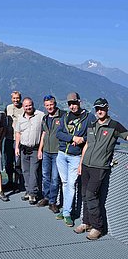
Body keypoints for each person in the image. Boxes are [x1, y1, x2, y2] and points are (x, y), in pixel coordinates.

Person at [74, 98, 128, 240]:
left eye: (102, 108)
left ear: (107, 108)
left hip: (99, 167)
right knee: (85, 195)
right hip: (86, 165)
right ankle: (87, 223)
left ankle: (98, 227)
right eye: (97, 108)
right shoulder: (92, 125)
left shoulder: (115, 126)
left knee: (91, 195)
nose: (99, 111)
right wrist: (80, 163)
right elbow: (86, 145)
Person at [56, 92, 95, 227]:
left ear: (80, 102)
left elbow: (93, 135)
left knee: (71, 185)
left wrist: (82, 140)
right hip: (62, 154)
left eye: (74, 103)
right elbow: (58, 133)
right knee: (65, 183)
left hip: (75, 156)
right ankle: (66, 210)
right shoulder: (65, 117)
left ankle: (67, 213)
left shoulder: (89, 117)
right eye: (70, 104)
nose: (72, 106)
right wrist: (72, 138)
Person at [37, 95, 65, 213]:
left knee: (55, 178)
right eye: (47, 105)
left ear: (55, 104)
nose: (49, 107)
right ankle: (46, 197)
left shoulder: (63, 116)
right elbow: (44, 134)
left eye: (51, 104)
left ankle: (53, 202)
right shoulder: (45, 118)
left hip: (57, 152)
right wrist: (40, 149)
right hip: (46, 151)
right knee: (45, 176)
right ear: (44, 106)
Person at [15, 97, 44, 205]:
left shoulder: (40, 116)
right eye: (26, 106)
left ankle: (33, 193)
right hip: (24, 149)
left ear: (33, 104)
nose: (28, 107)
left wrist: (41, 149)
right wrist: (17, 147)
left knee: (34, 172)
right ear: (23, 107)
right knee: (25, 171)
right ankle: (28, 190)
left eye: (30, 105)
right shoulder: (20, 118)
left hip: (35, 149)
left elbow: (44, 133)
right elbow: (18, 133)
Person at [4, 91, 24, 191]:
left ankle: (17, 182)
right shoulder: (8, 108)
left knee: (18, 162)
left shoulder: (24, 108)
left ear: (20, 98)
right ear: (11, 98)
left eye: (17, 98)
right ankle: (10, 181)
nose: (16, 100)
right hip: (9, 138)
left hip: (19, 140)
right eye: (14, 98)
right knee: (8, 162)